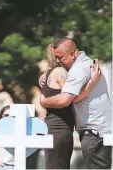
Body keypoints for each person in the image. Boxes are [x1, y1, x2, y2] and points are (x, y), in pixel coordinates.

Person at [40, 37, 112, 169]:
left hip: (94, 130)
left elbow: (65, 100)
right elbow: (74, 98)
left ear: (73, 54)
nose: (59, 61)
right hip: (95, 129)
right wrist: (90, 85)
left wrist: (43, 101)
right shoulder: (84, 65)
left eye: (61, 57)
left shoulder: (78, 69)